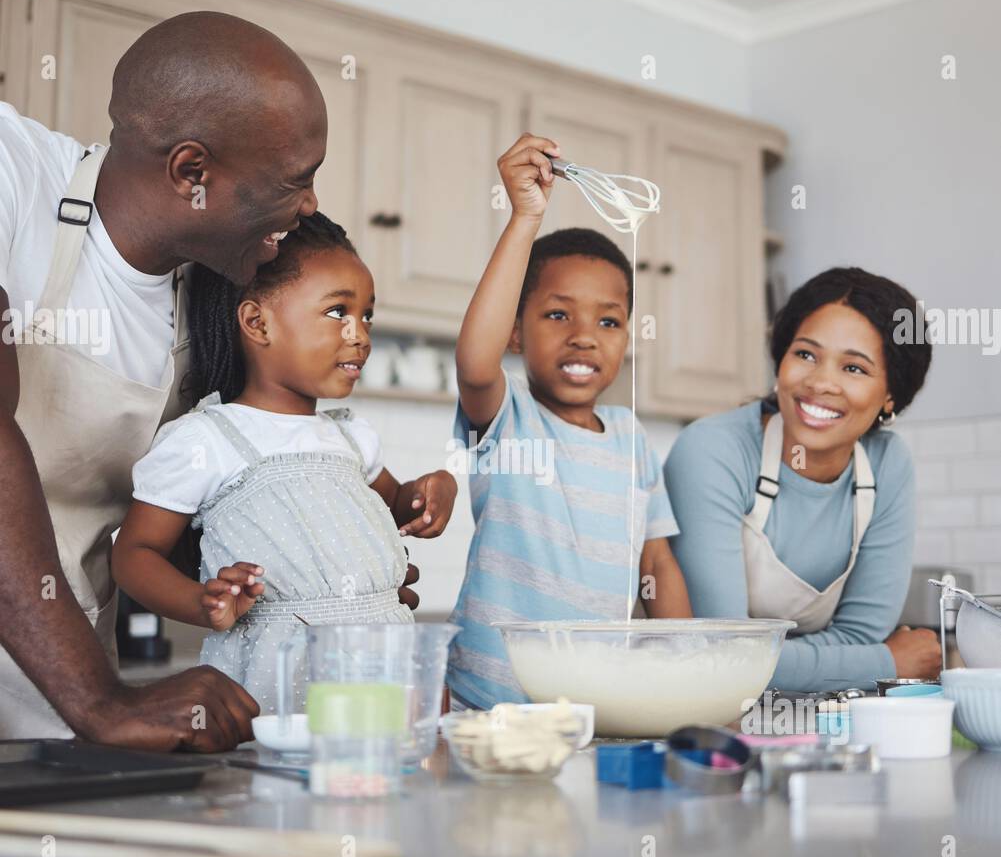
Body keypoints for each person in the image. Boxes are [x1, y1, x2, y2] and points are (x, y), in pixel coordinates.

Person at [0, 10, 411, 749]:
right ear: (192, 171)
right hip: (81, 692)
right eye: (297, 180)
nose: (311, 205)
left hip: (58, 697)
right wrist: (97, 700)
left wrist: (329, 579)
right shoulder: (12, 174)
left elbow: (199, 507)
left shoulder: (221, 290)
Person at [112, 213, 457, 713]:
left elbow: (402, 507)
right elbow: (133, 553)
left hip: (384, 678)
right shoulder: (207, 439)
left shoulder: (351, 438)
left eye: (367, 316)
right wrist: (203, 603)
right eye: (339, 311)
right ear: (257, 322)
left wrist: (436, 487)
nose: (359, 334)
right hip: (271, 686)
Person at [447, 133, 691, 710]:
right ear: (514, 329)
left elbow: (657, 562)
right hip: (491, 703)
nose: (583, 335)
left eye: (609, 322)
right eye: (557, 314)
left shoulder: (632, 438)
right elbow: (475, 365)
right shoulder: (507, 421)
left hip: (595, 704)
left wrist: (686, 667)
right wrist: (525, 217)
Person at [664, 267, 941, 693]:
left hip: (811, 719)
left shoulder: (887, 465)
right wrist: (885, 661)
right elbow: (721, 655)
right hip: (693, 708)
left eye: (854, 368)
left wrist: (772, 664)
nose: (820, 383)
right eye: (806, 355)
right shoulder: (712, 451)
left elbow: (858, 637)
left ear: (890, 396)